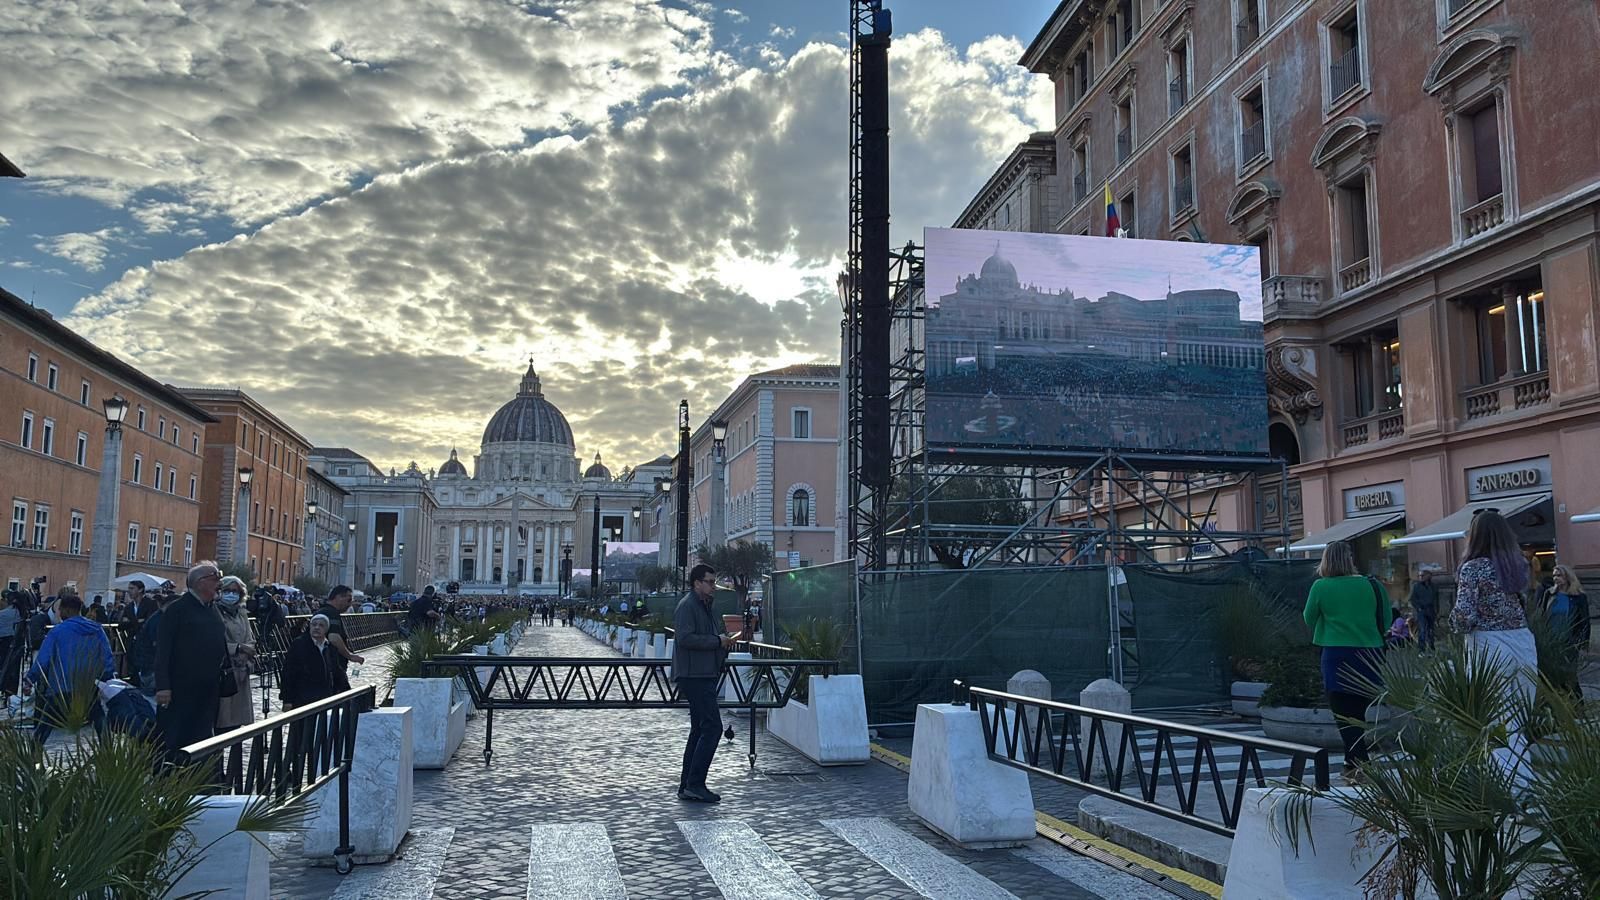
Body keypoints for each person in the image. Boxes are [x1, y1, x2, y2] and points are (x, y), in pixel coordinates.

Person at [1452, 510, 1538, 783]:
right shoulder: (1519, 565)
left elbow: (1464, 616)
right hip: (1522, 640)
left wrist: (1451, 625)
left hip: (1489, 645)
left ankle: (1509, 787)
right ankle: (1525, 782)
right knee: (1519, 718)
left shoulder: (1473, 568)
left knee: (1497, 720)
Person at [1302, 540, 1391, 781]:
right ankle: (1355, 763)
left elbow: (1308, 618)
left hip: (1336, 653)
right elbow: (1387, 618)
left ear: (1326, 560)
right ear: (1351, 559)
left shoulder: (1321, 587)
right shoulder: (1373, 585)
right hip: (1369, 653)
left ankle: (1357, 765)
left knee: (1343, 712)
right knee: (1359, 711)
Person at [672, 564, 739, 803]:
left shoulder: (703, 606)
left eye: (714, 582)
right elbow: (685, 638)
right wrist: (716, 641)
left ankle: (688, 784)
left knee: (700, 729)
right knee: (712, 728)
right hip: (695, 675)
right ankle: (695, 783)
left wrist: (721, 641)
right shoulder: (688, 606)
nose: (714, 587)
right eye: (710, 582)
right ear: (697, 583)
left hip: (702, 673)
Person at [155, 562, 228, 758]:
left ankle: (202, 778)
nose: (219, 584)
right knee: (176, 736)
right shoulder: (177, 609)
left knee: (203, 735)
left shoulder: (212, 608)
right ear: (200, 582)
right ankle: (171, 778)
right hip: (180, 687)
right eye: (215, 579)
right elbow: (163, 649)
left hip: (208, 687)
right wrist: (163, 686)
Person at [23, 593, 114, 742]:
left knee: (44, 726)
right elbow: (106, 656)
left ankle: (33, 757)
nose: (59, 613)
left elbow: (43, 660)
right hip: (87, 685)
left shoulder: (57, 631)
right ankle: (108, 753)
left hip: (61, 685)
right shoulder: (97, 629)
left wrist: (30, 679)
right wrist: (108, 678)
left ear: (66, 610)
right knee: (99, 720)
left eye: (60, 610)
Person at [1536, 563, 1590, 696]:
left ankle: (1577, 705)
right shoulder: (1549, 594)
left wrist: (1582, 643)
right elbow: (1541, 615)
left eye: (1559, 575)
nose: (1555, 578)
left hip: (1569, 642)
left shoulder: (1578, 597)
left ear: (1567, 578)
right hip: (1550, 642)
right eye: (1554, 575)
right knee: (1550, 675)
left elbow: (1584, 621)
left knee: (1569, 675)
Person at [215, 576, 257, 733]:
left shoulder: (242, 613)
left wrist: (247, 652)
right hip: (226, 669)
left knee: (237, 723)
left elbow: (250, 638)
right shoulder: (216, 611)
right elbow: (215, 640)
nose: (231, 594)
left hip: (242, 669)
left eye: (235, 591)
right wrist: (237, 648)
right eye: (228, 591)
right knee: (223, 717)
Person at [279, 614, 340, 709]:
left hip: (324, 697)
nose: (317, 627)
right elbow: (288, 673)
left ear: (326, 629)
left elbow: (336, 672)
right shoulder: (299, 644)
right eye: (314, 624)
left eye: (321, 625)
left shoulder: (330, 648)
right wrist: (287, 700)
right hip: (302, 698)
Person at [314, 586, 364, 691]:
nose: (350, 604)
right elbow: (334, 638)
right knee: (343, 697)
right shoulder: (331, 613)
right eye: (349, 599)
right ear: (338, 597)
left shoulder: (323, 611)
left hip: (323, 664)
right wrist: (350, 655)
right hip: (331, 665)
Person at [1406, 563, 1441, 650]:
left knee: (1431, 629)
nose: (1421, 577)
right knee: (1422, 629)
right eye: (1419, 576)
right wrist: (1418, 608)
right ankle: (1422, 649)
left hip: (1431, 610)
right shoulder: (1416, 586)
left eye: (1422, 575)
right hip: (1422, 610)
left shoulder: (1433, 586)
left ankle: (1432, 647)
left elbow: (1436, 599)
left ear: (1428, 575)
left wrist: (1437, 610)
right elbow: (1413, 599)